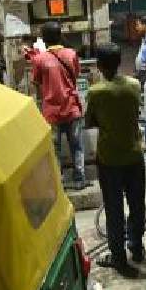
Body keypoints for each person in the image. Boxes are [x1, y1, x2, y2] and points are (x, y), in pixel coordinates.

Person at [86, 42, 146, 269]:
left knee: (114, 209)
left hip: (109, 159)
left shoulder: (96, 91)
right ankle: (137, 248)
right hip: (133, 155)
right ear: (120, 62)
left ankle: (118, 256)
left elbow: (89, 122)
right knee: (137, 204)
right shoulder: (134, 85)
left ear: (99, 65)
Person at [26, 21, 89, 189]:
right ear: (60, 35)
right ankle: (79, 179)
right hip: (72, 108)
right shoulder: (71, 54)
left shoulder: (39, 59)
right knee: (77, 146)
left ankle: (58, 182)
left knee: (54, 149)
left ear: (44, 39)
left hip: (51, 112)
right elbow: (75, 75)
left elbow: (37, 82)